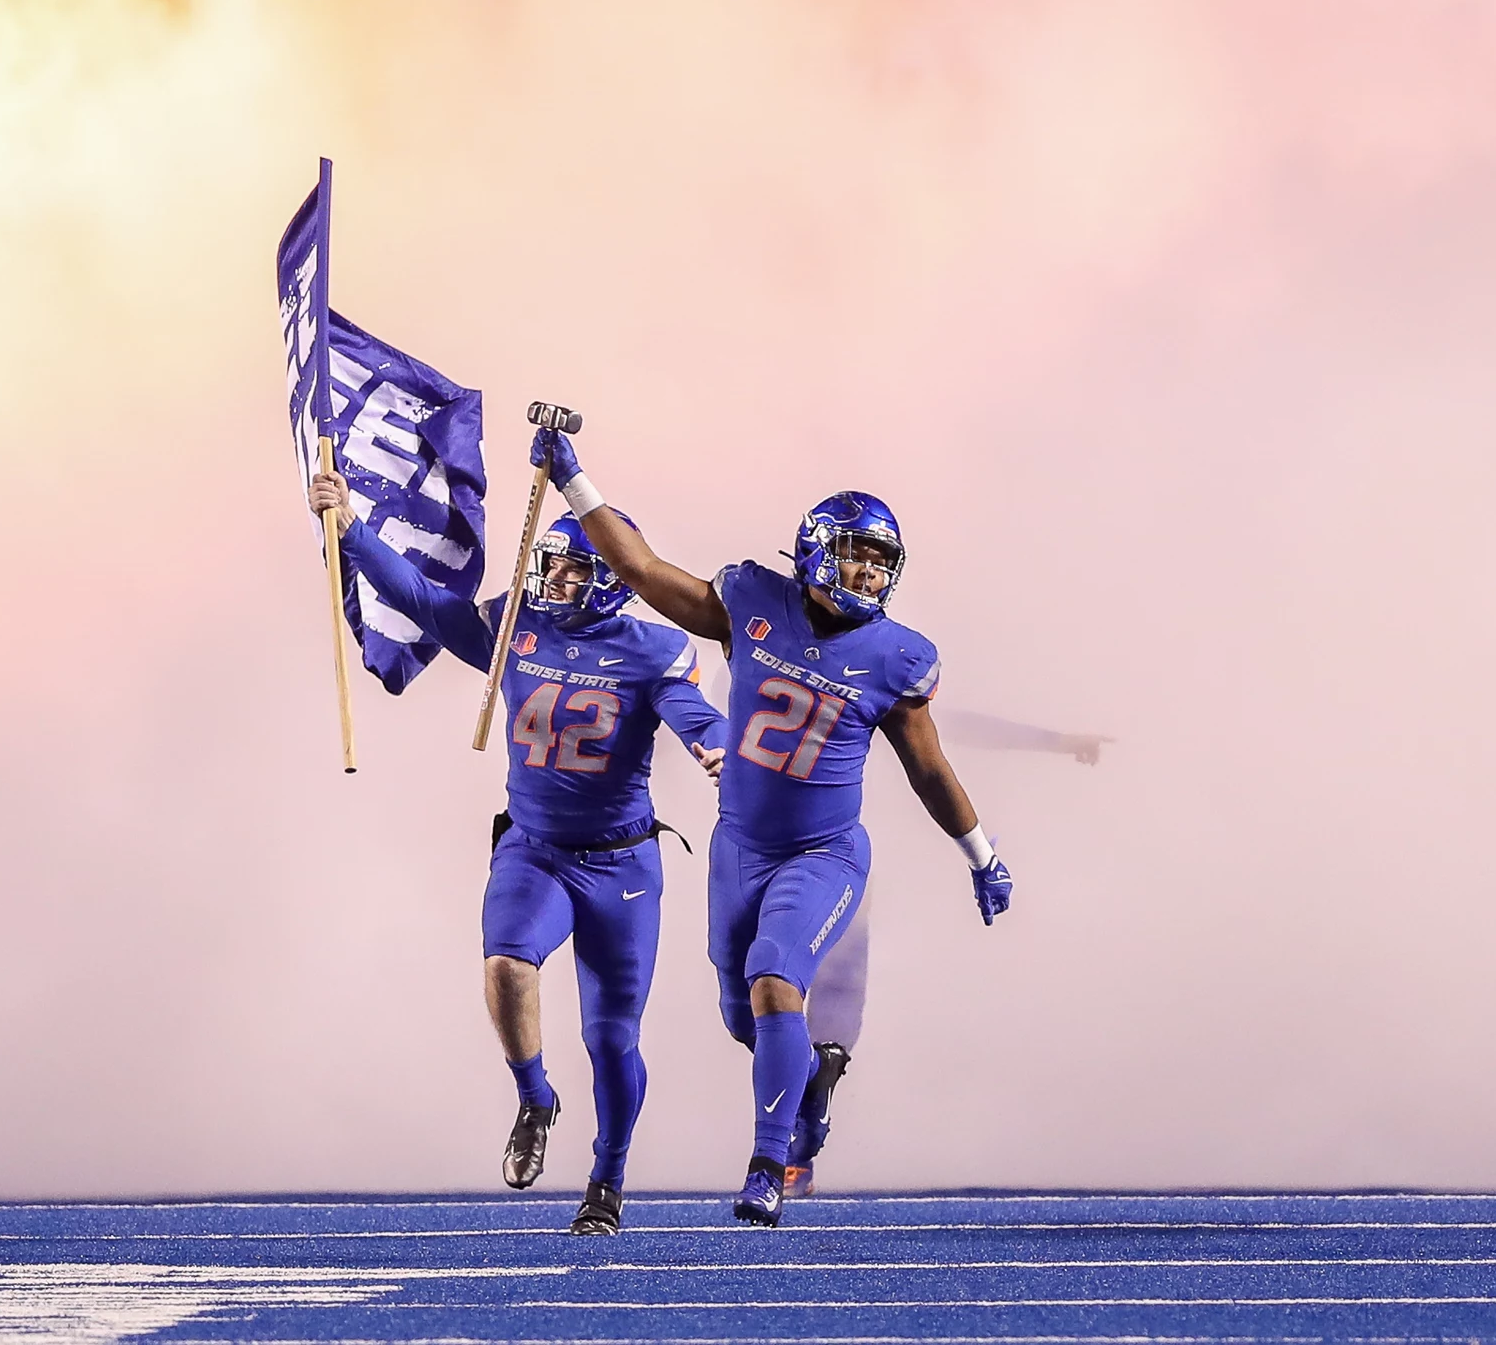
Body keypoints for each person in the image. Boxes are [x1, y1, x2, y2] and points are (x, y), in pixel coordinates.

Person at [530, 426, 1013, 1227]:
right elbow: (641, 570)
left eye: (878, 561)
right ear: (816, 550)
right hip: (738, 848)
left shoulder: (895, 657)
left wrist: (981, 855)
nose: (866, 571)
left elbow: (928, 771)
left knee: (774, 980)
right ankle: (811, 1085)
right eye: (855, 553)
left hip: (823, 852)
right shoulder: (752, 603)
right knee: (743, 1014)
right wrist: (574, 482)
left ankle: (769, 1162)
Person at [307, 470, 726, 1235]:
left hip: (622, 865)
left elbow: (693, 712)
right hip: (535, 852)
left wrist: (716, 744)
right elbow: (428, 605)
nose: (558, 577)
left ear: (610, 580)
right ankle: (534, 1096)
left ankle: (608, 1179)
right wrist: (352, 527)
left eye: (576, 567)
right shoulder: (515, 628)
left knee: (611, 1038)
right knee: (505, 959)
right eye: (552, 562)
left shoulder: (653, 648)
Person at [786, 707, 1103, 1198]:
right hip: (839, 845)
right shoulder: (870, 665)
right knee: (834, 975)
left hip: (774, 839)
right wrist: (1056, 739)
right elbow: (953, 732)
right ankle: (805, 1113)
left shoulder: (761, 654)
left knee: (775, 985)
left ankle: (783, 1140)